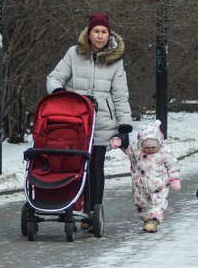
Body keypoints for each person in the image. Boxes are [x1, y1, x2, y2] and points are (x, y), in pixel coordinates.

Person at [46, 12, 133, 231]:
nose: (100, 36)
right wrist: (59, 94)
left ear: (109, 34)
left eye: (104, 32)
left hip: (102, 121)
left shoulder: (115, 60)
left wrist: (124, 127)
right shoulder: (74, 54)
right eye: (96, 31)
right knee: (76, 166)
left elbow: (120, 94)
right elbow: (54, 77)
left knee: (95, 167)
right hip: (75, 120)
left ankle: (93, 213)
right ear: (90, 33)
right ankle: (75, 207)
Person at [111, 120, 181, 233]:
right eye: (146, 147)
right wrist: (118, 142)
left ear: (159, 143)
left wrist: (175, 178)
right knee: (141, 203)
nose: (150, 150)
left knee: (158, 204)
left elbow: (173, 165)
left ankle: (153, 220)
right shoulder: (136, 151)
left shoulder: (164, 152)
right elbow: (126, 149)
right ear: (141, 144)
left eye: (153, 147)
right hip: (140, 185)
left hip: (159, 185)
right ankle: (146, 219)